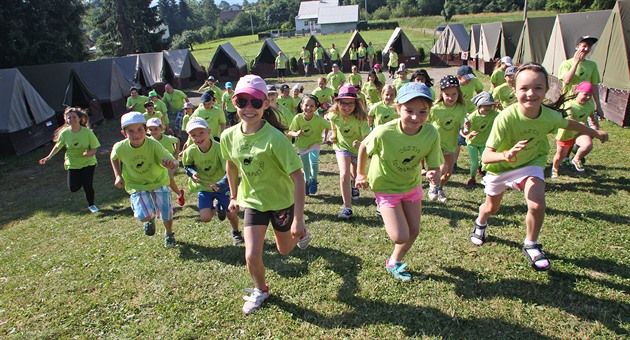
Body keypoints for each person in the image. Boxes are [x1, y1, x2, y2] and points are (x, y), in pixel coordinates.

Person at [469, 63, 608, 271]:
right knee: (491, 208)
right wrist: (506, 155)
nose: (531, 93)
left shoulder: (549, 116)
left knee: (536, 204)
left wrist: (595, 133)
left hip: (531, 163)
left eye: (538, 88)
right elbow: (487, 157)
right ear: (514, 90)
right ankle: (480, 223)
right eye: (524, 88)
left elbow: (570, 124)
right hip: (500, 168)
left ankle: (531, 244)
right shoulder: (505, 118)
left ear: (545, 90)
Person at [220, 74, 312, 314]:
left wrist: (299, 219)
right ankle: (261, 289)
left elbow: (298, 177)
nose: (248, 108)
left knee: (284, 250)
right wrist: (232, 196)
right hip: (253, 202)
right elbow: (231, 164)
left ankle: (300, 233)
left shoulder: (276, 139)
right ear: (234, 102)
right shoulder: (229, 136)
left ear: (266, 103)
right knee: (251, 254)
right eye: (242, 102)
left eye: (256, 102)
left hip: (281, 202)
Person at [356, 82, 442, 282]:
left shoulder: (431, 133)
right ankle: (383, 209)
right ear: (398, 109)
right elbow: (363, 147)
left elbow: (434, 165)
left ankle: (394, 262)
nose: (415, 117)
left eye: (423, 111)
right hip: (386, 187)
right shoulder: (385, 132)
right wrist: (360, 174)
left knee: (414, 230)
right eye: (409, 110)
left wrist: (433, 173)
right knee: (400, 236)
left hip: (411, 185)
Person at [110, 112, 179, 247]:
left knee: (166, 212)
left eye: (140, 130)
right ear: (124, 133)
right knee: (144, 216)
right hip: (136, 184)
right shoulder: (120, 147)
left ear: (145, 130)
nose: (136, 134)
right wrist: (118, 175)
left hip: (158, 180)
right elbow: (114, 158)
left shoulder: (153, 144)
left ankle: (169, 234)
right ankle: (149, 220)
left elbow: (174, 162)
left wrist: (171, 164)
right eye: (131, 131)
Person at [182, 117, 244, 245]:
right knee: (205, 218)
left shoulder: (220, 149)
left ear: (209, 131)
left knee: (232, 214)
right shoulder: (190, 151)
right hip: (205, 188)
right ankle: (217, 208)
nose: (198, 137)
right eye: (194, 135)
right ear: (189, 137)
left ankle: (236, 232)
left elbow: (229, 171)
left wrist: (220, 184)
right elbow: (187, 165)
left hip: (223, 187)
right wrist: (192, 173)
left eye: (201, 133)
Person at [39, 107, 101, 213]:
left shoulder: (87, 132)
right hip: (73, 163)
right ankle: (82, 179)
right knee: (73, 188)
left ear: (80, 118)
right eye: (69, 118)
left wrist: (88, 153)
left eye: (74, 117)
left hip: (88, 162)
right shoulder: (65, 133)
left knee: (88, 185)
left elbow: (95, 148)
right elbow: (58, 146)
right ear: (66, 119)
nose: (71, 119)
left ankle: (91, 205)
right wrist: (48, 157)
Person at [327, 84, 370, 219]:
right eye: (344, 103)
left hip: (358, 150)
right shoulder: (334, 115)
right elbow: (329, 119)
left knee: (355, 173)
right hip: (342, 147)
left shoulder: (361, 118)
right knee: (344, 174)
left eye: (350, 103)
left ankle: (354, 185)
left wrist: (361, 144)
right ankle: (347, 208)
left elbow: (367, 140)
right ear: (338, 103)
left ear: (356, 104)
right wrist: (333, 134)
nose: (347, 107)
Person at [428, 75, 467, 202]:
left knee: (448, 173)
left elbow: (462, 127)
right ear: (442, 93)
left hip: (451, 144)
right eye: (447, 94)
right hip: (436, 143)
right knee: (442, 168)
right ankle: (433, 186)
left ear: (458, 93)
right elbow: (426, 124)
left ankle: (439, 187)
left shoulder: (460, 108)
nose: (451, 98)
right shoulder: (434, 109)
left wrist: (466, 129)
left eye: (454, 94)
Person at [551, 81, 600, 178]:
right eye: (585, 94)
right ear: (577, 93)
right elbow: (568, 121)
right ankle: (554, 168)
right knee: (560, 156)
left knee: (587, 145)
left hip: (579, 132)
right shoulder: (569, 105)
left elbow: (592, 118)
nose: (588, 98)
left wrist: (594, 128)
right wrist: (580, 125)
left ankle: (576, 159)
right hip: (566, 134)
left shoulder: (590, 105)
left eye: (590, 95)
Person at [288, 95, 331, 195]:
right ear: (302, 105)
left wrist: (333, 118)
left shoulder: (319, 120)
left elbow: (331, 126)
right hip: (302, 145)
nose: (309, 108)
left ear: (316, 108)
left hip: (314, 143)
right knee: (306, 165)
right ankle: (306, 181)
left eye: (312, 106)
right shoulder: (298, 118)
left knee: (314, 161)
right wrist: (295, 133)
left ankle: (314, 180)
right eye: (306, 105)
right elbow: (290, 132)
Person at [558, 36, 605, 119]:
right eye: (584, 46)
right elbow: (566, 81)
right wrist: (576, 64)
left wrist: (598, 105)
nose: (586, 49)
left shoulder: (592, 65)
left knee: (592, 128)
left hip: (587, 104)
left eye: (589, 47)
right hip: (570, 103)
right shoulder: (566, 64)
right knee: (570, 129)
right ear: (577, 47)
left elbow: (594, 85)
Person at [461, 92, 499, 189]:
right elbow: (464, 131)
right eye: (485, 105)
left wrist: (502, 109)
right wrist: (468, 134)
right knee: (474, 163)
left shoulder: (494, 114)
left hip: (485, 143)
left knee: (486, 161)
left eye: (490, 105)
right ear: (479, 105)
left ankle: (487, 177)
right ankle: (472, 178)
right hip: (473, 143)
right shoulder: (473, 117)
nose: (488, 108)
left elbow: (503, 118)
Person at [147, 118, 185, 206]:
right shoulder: (148, 142)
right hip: (157, 166)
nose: (153, 132)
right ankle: (179, 194)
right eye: (151, 129)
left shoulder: (167, 139)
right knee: (168, 181)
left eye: (156, 129)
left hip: (170, 165)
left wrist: (176, 152)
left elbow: (177, 140)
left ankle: (169, 205)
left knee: (166, 181)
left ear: (161, 128)